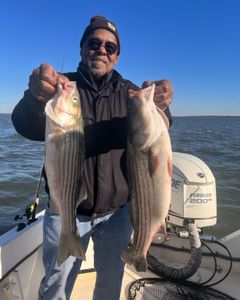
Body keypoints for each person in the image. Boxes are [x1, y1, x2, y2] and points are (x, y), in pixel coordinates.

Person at [12, 16, 173, 300]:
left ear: (117, 55)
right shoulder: (64, 88)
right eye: (94, 43)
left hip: (118, 214)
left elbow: (154, 130)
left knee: (111, 284)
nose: (102, 50)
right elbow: (26, 125)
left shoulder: (130, 92)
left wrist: (161, 106)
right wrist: (34, 97)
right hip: (67, 209)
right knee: (55, 286)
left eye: (110, 47)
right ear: (82, 48)